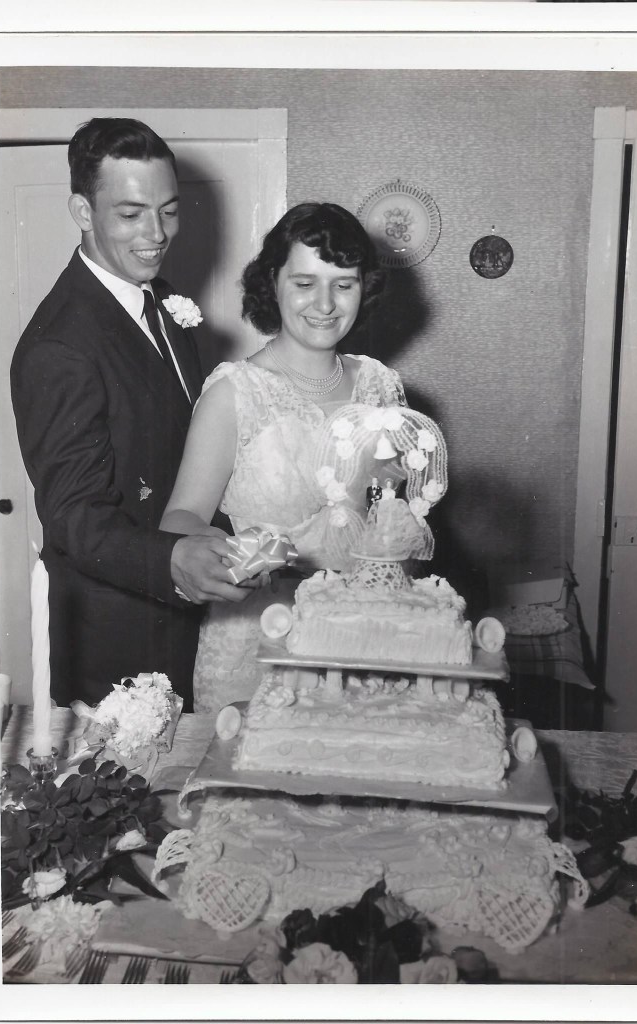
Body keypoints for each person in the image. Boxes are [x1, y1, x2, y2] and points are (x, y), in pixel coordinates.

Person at [11, 117, 254, 711]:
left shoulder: (161, 300)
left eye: (168, 211)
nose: (156, 233)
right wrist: (173, 558)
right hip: (113, 642)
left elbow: (179, 451)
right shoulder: (58, 344)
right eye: (130, 214)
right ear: (82, 211)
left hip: (182, 620)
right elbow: (74, 517)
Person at [161, 202, 408, 718]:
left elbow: (394, 520)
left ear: (364, 287)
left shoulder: (382, 386)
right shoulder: (234, 392)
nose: (326, 303)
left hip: (365, 637)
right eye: (304, 283)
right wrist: (238, 555)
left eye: (344, 284)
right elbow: (180, 518)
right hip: (259, 644)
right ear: (272, 283)